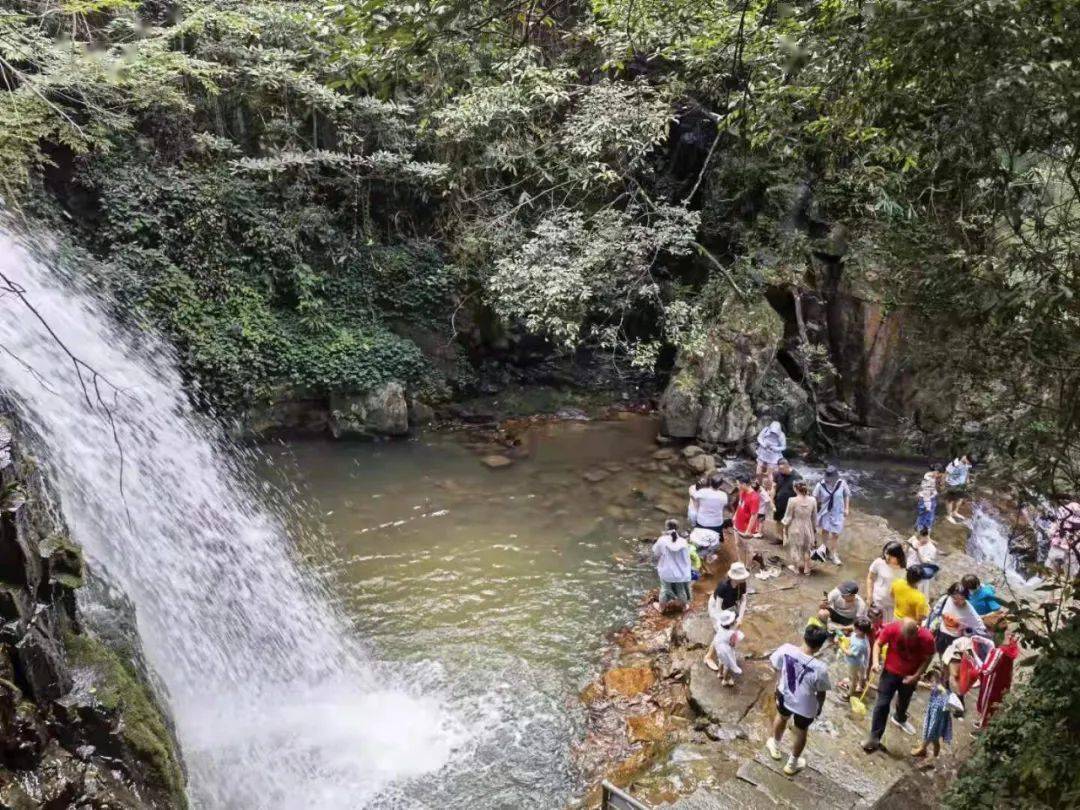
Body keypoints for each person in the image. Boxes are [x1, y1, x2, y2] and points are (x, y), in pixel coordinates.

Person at [765, 624, 832, 776]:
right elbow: (821, 692)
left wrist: (779, 681)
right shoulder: (820, 668)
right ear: (820, 646)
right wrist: (819, 707)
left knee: (781, 717)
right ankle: (792, 764)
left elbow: (776, 665)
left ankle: (775, 746)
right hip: (806, 706)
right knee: (801, 732)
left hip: (784, 694)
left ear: (804, 637)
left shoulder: (786, 649)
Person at [862, 618, 935, 752]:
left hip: (910, 675)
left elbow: (929, 657)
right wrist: (875, 662)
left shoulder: (927, 638)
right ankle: (874, 737)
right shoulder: (892, 628)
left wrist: (916, 676)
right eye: (905, 637)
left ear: (917, 631)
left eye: (911, 637)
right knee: (882, 704)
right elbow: (878, 644)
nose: (907, 640)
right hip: (890, 672)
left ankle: (900, 717)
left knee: (904, 700)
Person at [704, 562, 751, 671]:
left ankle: (724, 652)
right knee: (720, 631)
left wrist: (740, 617)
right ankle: (708, 657)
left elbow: (743, 599)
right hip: (717, 607)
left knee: (730, 630)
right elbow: (718, 607)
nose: (743, 579)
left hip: (730, 607)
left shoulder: (742, 584)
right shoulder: (723, 586)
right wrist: (725, 623)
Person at [931, 582, 987, 656]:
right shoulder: (946, 599)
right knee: (937, 651)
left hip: (953, 639)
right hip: (940, 633)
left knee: (947, 656)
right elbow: (936, 611)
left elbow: (981, 627)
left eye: (961, 599)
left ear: (965, 598)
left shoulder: (969, 611)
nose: (956, 601)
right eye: (954, 598)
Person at [812, 465, 851, 566]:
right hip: (825, 511)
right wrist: (813, 511)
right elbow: (814, 497)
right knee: (825, 531)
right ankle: (824, 550)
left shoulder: (842, 483)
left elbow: (846, 495)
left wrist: (847, 508)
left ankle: (833, 554)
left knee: (836, 534)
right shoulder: (820, 485)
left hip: (838, 512)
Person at [911, 668, 953, 759]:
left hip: (938, 712)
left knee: (932, 732)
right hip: (934, 710)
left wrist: (940, 688)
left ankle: (924, 748)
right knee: (933, 735)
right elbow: (927, 686)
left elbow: (943, 691)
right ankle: (932, 754)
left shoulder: (942, 687)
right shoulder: (937, 684)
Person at [652, 519, 692, 611]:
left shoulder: (662, 540)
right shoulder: (683, 541)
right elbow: (686, 557)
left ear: (666, 528)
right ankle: (684, 607)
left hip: (667, 572)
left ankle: (661, 608)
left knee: (665, 589)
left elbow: (656, 553)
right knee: (681, 589)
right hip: (681, 573)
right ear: (677, 529)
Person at [782, 481, 817, 576]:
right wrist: (814, 529)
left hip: (795, 526)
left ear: (795, 488)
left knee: (795, 548)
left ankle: (796, 568)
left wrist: (784, 528)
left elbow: (788, 517)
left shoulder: (792, 500)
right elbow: (814, 517)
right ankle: (806, 569)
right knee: (807, 548)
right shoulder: (813, 500)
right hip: (807, 526)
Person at [866, 541, 906, 616]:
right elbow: (870, 578)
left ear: (898, 556)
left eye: (891, 556)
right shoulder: (879, 562)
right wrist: (869, 596)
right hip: (877, 599)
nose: (887, 557)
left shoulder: (904, 569)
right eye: (886, 554)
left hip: (893, 604)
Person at [1046, 500, 1080, 578]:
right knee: (1071, 575)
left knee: (1050, 572)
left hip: (1060, 545)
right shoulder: (1072, 507)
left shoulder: (1065, 509)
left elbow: (1052, 530)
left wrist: (1052, 535)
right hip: (1070, 547)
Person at [840, 616, 872, 696]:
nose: (853, 628)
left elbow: (849, 653)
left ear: (861, 631)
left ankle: (849, 694)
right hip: (859, 661)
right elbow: (851, 638)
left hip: (854, 663)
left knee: (852, 679)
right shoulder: (857, 634)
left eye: (855, 627)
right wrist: (844, 638)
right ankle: (859, 683)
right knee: (856, 674)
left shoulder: (859, 644)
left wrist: (840, 645)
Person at [712, 609, 744, 687]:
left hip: (718, 645)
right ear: (731, 623)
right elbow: (732, 644)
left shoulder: (720, 626)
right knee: (727, 666)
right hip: (725, 650)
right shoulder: (732, 633)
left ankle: (719, 673)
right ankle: (725, 680)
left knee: (720, 660)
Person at [733, 476, 760, 566]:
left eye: (738, 484)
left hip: (746, 527)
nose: (737, 486)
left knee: (748, 548)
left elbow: (754, 515)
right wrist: (735, 515)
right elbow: (740, 504)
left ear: (744, 484)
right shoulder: (742, 491)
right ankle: (740, 562)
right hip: (737, 523)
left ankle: (748, 565)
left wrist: (748, 530)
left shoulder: (754, 497)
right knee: (737, 544)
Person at [905, 528, 939, 599]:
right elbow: (906, 552)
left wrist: (917, 552)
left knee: (918, 595)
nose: (919, 540)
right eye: (918, 537)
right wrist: (907, 546)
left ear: (927, 536)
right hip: (908, 569)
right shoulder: (914, 539)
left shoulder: (932, 549)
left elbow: (924, 563)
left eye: (922, 538)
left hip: (919, 574)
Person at [944, 454, 973, 523]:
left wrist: (967, 480)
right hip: (952, 484)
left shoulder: (968, 463)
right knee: (949, 500)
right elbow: (947, 472)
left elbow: (967, 471)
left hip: (961, 484)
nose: (968, 463)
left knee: (960, 498)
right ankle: (949, 515)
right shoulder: (955, 463)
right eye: (968, 462)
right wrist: (944, 483)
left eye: (969, 463)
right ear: (965, 457)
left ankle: (955, 512)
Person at [915, 464, 943, 533]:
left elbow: (924, 488)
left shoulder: (928, 475)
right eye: (939, 475)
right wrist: (928, 506)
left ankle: (919, 529)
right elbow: (926, 493)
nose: (939, 477)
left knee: (923, 516)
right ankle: (922, 534)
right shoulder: (929, 480)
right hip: (927, 500)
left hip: (926, 499)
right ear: (936, 472)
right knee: (927, 518)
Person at [772, 459, 800, 526]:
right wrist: (772, 500)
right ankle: (780, 536)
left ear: (788, 466)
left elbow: (800, 492)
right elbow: (773, 488)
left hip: (790, 504)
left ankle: (787, 536)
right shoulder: (777, 474)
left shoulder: (796, 476)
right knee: (778, 521)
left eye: (782, 469)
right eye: (779, 469)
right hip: (778, 502)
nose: (781, 470)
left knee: (789, 523)